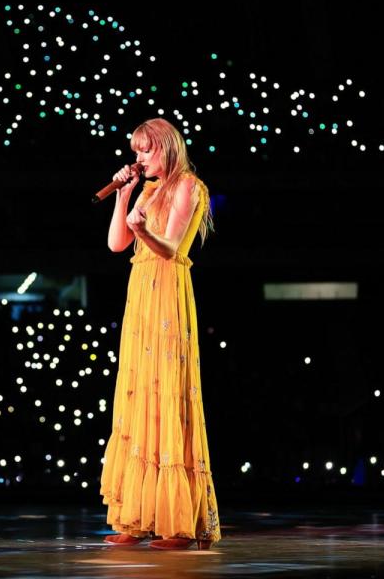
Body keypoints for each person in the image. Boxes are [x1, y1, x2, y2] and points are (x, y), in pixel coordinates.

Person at [98, 117, 221, 550]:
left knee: (167, 393)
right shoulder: (146, 190)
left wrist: (142, 228)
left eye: (145, 151)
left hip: (168, 290)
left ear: (167, 148)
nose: (139, 159)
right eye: (136, 152)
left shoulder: (189, 186)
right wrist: (126, 198)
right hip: (141, 295)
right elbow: (116, 244)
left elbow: (171, 248)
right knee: (138, 394)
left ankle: (177, 522)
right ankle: (137, 515)